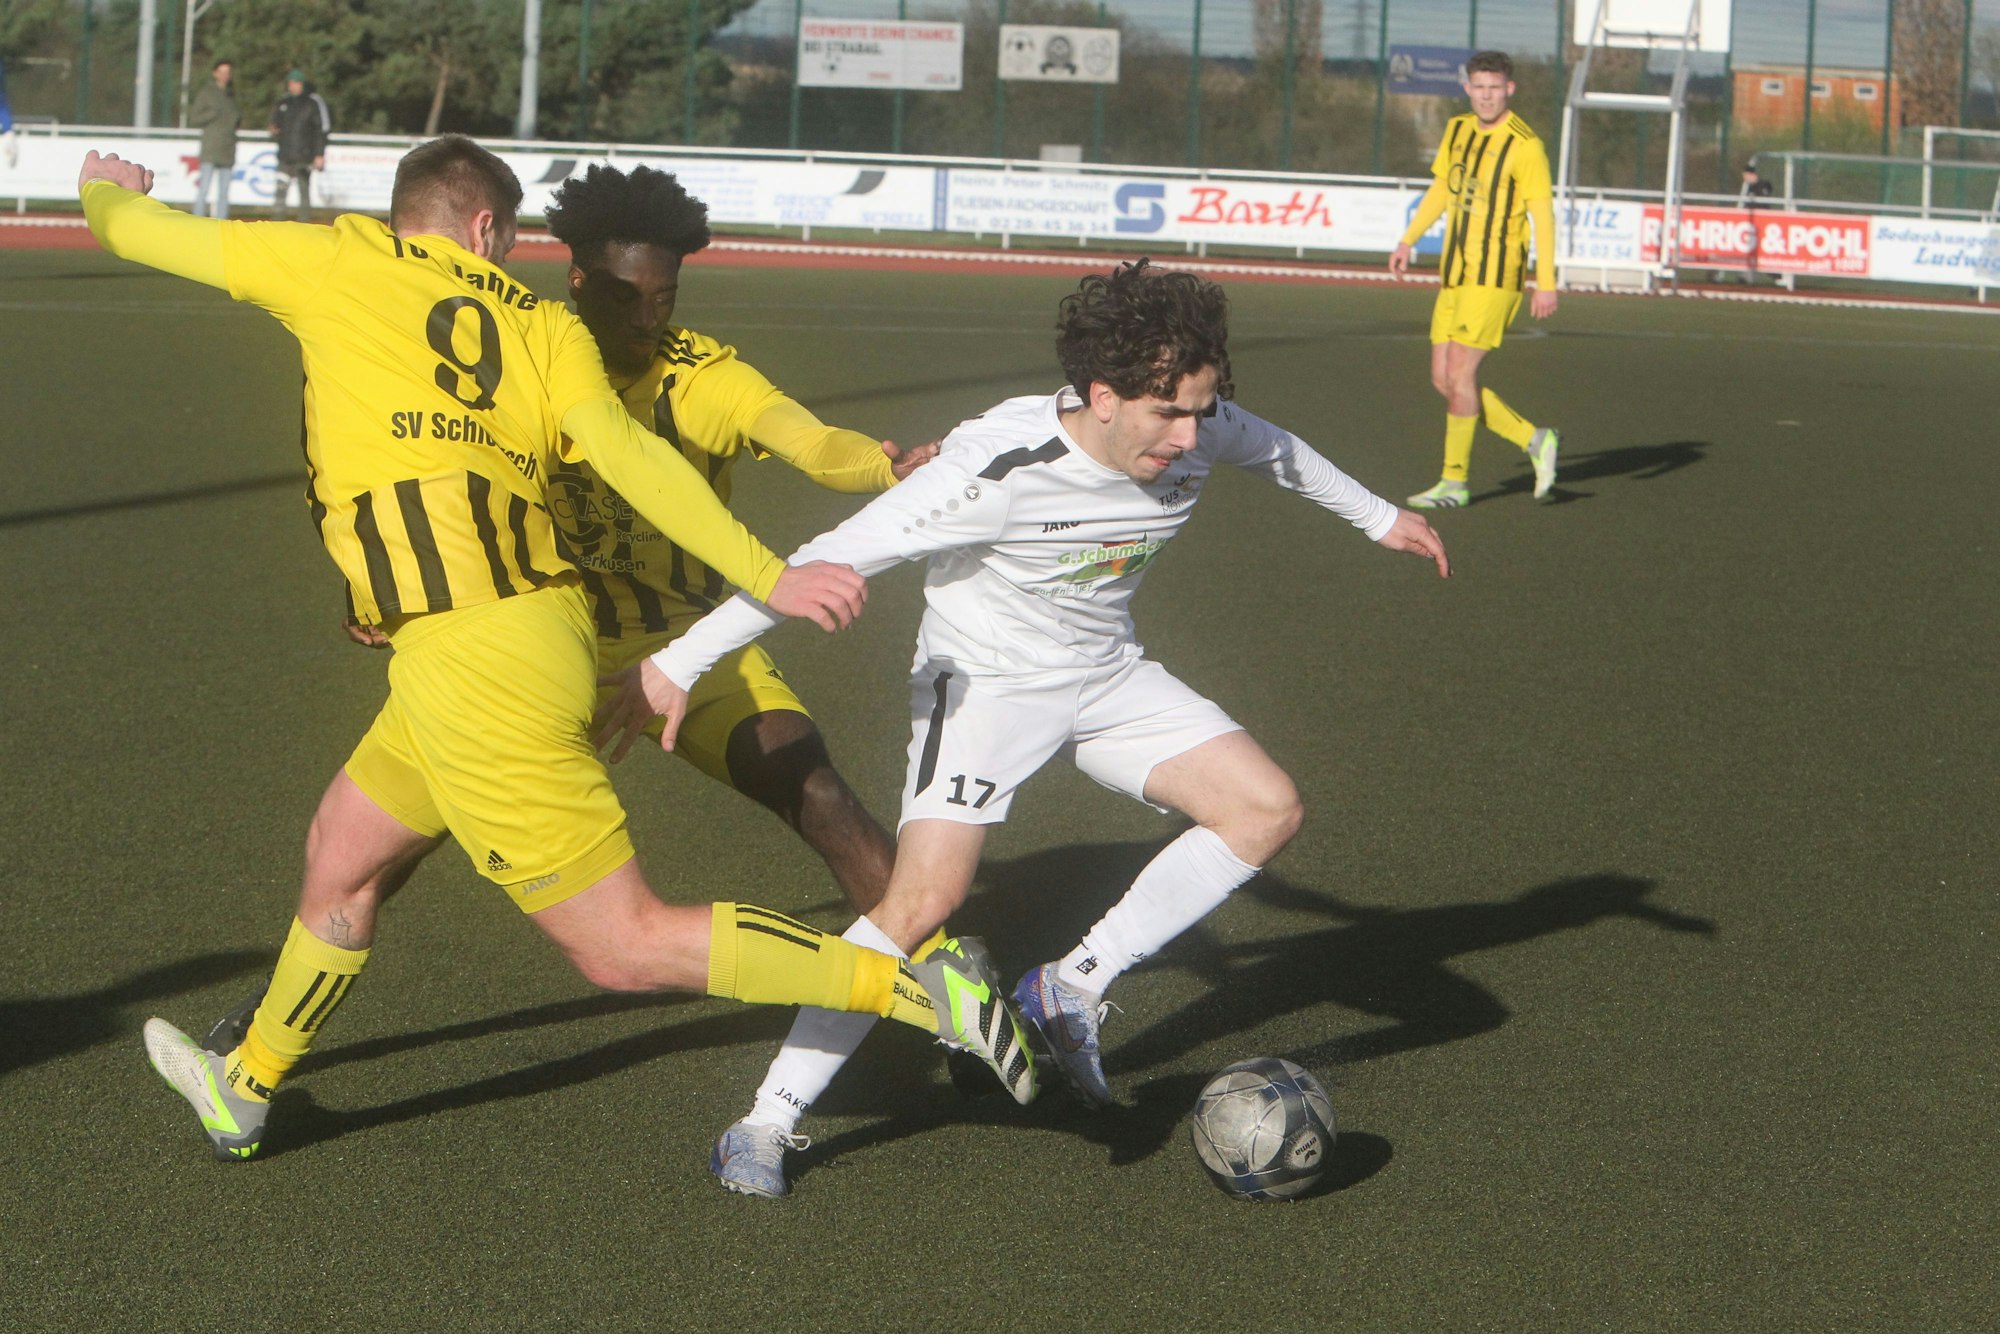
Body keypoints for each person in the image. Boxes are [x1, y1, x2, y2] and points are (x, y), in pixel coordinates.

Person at [77, 135, 1031, 1164]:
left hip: (507, 652)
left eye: (664, 295)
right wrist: (769, 570)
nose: (647, 312)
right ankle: (249, 1083)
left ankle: (918, 988)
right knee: (342, 858)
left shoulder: (340, 261)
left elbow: (133, 230)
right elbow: (616, 455)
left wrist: (104, 187)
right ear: (493, 230)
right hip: (516, 637)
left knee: (628, 941)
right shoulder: (540, 326)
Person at [595, 259, 1451, 1197]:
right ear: (1101, 396)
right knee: (919, 906)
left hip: (1107, 674)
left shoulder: (1199, 428)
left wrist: (1380, 518)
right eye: (1168, 414)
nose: (1190, 435)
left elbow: (1278, 450)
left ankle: (1070, 985)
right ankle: (765, 1121)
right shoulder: (994, 472)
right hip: (987, 692)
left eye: (1202, 411)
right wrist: (678, 663)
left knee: (1264, 808)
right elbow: (823, 558)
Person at [1390, 49, 1560, 510]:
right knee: (1443, 379)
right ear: (1467, 89)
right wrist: (1408, 239)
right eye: (1479, 88)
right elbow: (1442, 189)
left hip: (1496, 278)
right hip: (1455, 274)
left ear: (1510, 89)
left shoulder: (1526, 146)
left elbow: (1543, 216)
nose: (1486, 96)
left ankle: (1454, 481)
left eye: (1495, 88)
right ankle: (1535, 439)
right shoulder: (1458, 129)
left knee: (1461, 374)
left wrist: (1546, 281)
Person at [269, 69, 329, 221]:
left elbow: (321, 130)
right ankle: (276, 226)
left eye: (296, 83)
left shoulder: (313, 102)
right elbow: (274, 124)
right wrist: (273, 129)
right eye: (290, 83)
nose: (292, 86)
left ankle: (304, 225)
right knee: (280, 193)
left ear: (302, 84)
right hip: (285, 156)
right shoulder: (283, 102)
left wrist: (319, 154)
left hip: (304, 156)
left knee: (304, 193)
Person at [188, 60, 241, 219]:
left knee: (224, 192)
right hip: (210, 148)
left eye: (228, 72)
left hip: (228, 148)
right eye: (222, 72)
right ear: (215, 73)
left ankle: (222, 222)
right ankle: (197, 220)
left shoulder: (231, 94)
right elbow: (194, 119)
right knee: (204, 188)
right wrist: (212, 114)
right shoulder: (206, 93)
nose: (225, 75)